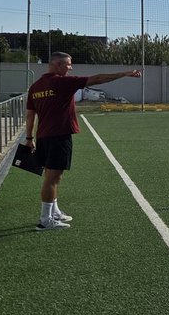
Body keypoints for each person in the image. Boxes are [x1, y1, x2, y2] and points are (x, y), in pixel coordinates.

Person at [24, 52, 141, 231]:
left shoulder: (35, 86)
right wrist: (124, 73)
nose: (71, 68)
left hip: (43, 137)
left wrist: (29, 138)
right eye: (68, 64)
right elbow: (98, 79)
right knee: (51, 178)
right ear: (57, 65)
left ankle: (54, 212)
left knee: (54, 176)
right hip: (58, 137)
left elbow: (30, 115)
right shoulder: (62, 82)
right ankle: (45, 220)